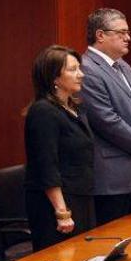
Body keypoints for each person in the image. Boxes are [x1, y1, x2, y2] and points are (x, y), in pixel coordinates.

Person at [80, 8, 131, 226]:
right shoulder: (86, 69)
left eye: (128, 32)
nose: (128, 38)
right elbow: (106, 120)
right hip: (110, 176)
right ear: (100, 35)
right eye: (121, 32)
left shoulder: (124, 66)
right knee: (111, 241)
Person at [24, 45, 96, 250]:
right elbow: (46, 165)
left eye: (79, 68)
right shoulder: (43, 112)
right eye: (73, 70)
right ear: (55, 78)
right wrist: (62, 212)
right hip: (57, 205)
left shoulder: (73, 108)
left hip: (81, 196)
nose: (80, 74)